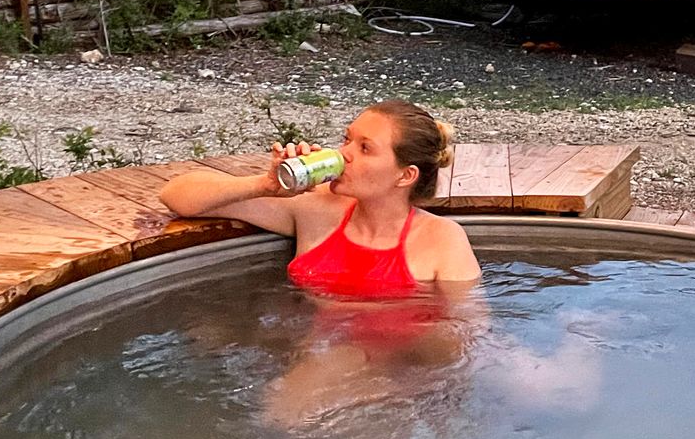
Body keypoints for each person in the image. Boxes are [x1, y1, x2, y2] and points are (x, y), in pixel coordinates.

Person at [158, 100, 482, 297]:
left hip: (401, 371)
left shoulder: (443, 240)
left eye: (365, 148)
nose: (344, 153)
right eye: (347, 139)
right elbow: (177, 196)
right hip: (320, 357)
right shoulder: (315, 207)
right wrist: (265, 185)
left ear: (405, 175)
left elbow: (463, 337)